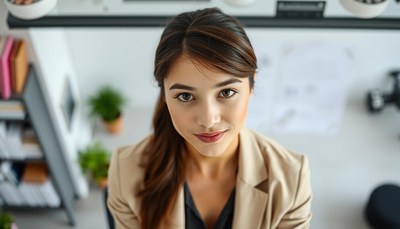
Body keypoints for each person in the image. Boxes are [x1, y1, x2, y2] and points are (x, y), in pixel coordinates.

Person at [107, 7, 312, 229]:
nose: (208, 120)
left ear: (251, 84)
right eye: (185, 96)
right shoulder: (125, 172)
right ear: (164, 94)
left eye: (226, 93)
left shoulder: (291, 179)